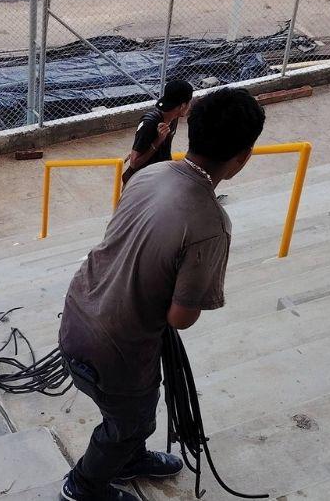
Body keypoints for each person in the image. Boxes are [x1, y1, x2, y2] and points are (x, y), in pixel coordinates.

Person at [57, 87, 266, 501]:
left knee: (134, 414)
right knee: (128, 424)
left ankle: (128, 460)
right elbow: (179, 318)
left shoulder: (150, 173)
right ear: (243, 156)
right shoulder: (210, 224)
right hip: (117, 348)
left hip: (78, 315)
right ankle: (83, 486)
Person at [121, 79, 193, 185]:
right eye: (189, 102)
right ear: (182, 106)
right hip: (140, 184)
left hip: (158, 177)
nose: (190, 105)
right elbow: (134, 163)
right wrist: (158, 140)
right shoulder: (149, 124)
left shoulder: (173, 117)